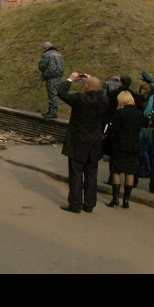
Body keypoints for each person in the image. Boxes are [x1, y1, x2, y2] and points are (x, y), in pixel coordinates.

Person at [57, 73, 109, 213]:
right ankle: (89, 204)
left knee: (76, 174)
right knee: (92, 175)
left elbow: (61, 93)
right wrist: (92, 80)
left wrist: (70, 79)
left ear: (86, 87)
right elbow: (102, 93)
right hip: (95, 143)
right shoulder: (104, 101)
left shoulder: (80, 98)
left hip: (78, 142)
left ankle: (75, 204)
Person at [105, 91, 144, 208]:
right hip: (133, 146)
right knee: (130, 172)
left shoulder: (120, 112)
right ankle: (126, 200)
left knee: (116, 170)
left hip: (119, 145)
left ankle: (115, 199)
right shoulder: (139, 113)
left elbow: (114, 129)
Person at [38, 42, 65, 119]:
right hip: (58, 76)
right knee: (55, 94)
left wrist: (43, 73)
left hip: (51, 76)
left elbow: (42, 65)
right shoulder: (59, 54)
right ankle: (52, 111)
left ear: (46, 48)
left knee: (52, 94)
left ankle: (53, 112)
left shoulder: (47, 54)